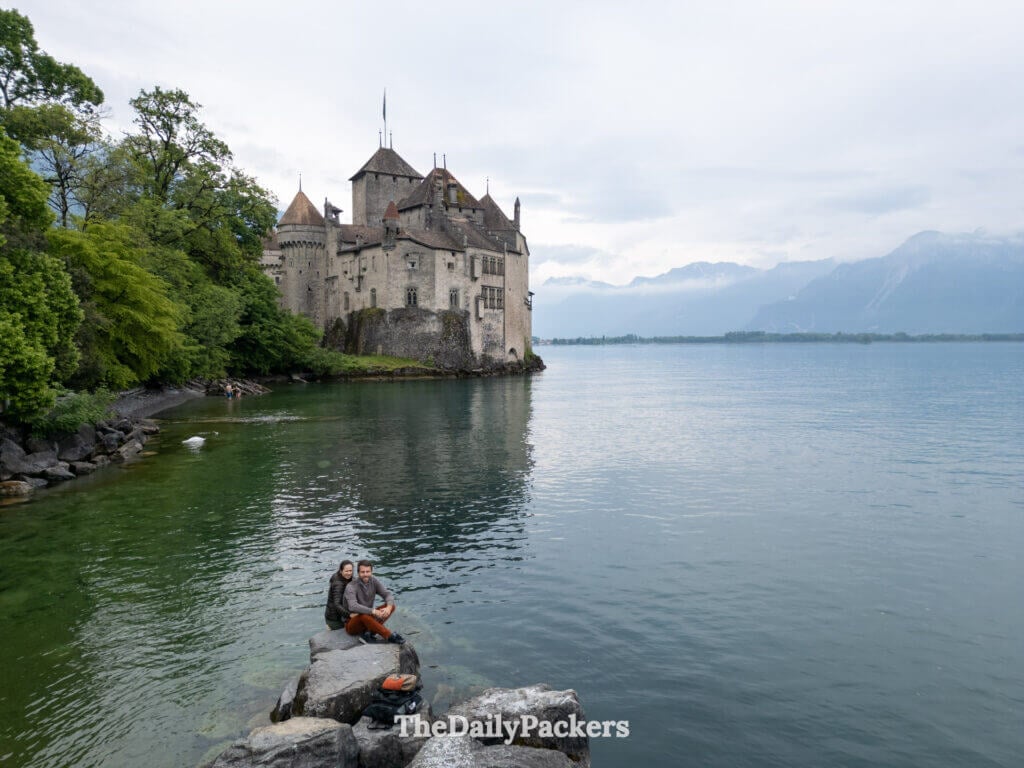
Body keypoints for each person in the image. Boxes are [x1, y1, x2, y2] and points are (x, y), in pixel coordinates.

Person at [344, 560, 405, 644]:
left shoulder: (374, 581)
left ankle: (369, 633)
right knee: (363, 616)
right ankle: (389, 636)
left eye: (368, 571)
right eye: (362, 572)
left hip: (368, 617)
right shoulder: (351, 586)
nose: (365, 574)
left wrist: (388, 607)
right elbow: (353, 606)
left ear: (371, 572)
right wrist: (373, 611)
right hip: (352, 623)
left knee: (391, 606)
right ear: (358, 573)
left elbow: (387, 594)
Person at [324, 560, 353, 631]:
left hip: (338, 616)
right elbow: (337, 604)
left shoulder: (346, 578)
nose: (349, 573)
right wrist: (350, 615)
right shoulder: (338, 584)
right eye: (346, 571)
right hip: (335, 619)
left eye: (350, 571)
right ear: (341, 571)